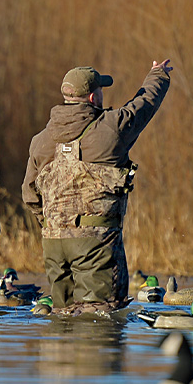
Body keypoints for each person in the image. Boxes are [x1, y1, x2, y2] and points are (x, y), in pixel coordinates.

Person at [22, 61, 172, 314]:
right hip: (95, 244)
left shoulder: (40, 141)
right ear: (93, 96)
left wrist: (55, 224)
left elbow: (29, 194)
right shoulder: (110, 130)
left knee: (62, 317)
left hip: (54, 245)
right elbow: (143, 106)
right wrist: (157, 75)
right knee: (99, 318)